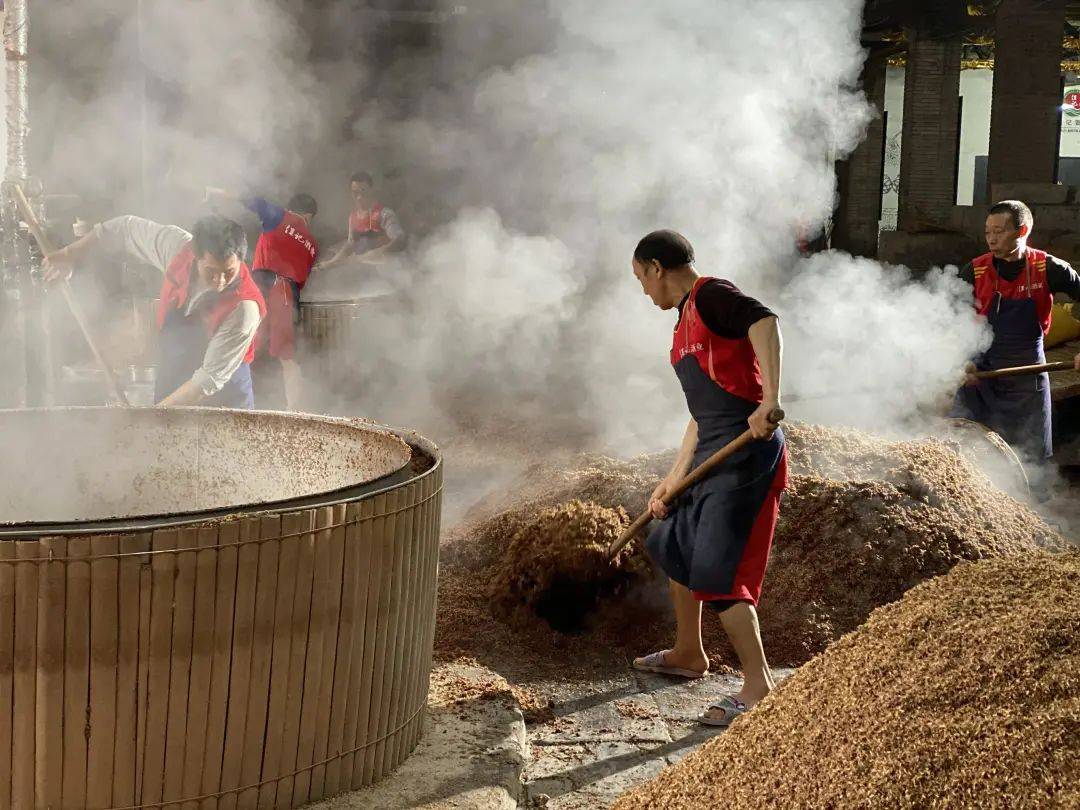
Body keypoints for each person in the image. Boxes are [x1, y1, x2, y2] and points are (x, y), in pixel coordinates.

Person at [629, 229, 787, 727]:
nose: (643, 290)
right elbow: (700, 416)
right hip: (711, 451)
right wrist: (673, 479)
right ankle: (688, 652)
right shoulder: (682, 324)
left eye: (641, 278)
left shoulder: (713, 295)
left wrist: (769, 400)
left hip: (746, 455)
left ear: (657, 268)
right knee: (674, 539)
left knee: (720, 572)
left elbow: (765, 322)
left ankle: (759, 686)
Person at [43, 214, 265, 408]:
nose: (220, 281)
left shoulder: (244, 308)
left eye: (229, 272)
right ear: (196, 257)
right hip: (172, 382)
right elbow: (125, 230)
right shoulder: (177, 248)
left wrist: (153, 419)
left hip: (223, 402)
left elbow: (207, 382)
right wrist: (70, 254)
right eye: (212, 271)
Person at [954, 200, 1080, 461]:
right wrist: (962, 360)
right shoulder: (975, 270)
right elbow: (954, 319)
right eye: (988, 232)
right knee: (962, 451)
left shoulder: (1048, 268)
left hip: (1028, 373)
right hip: (982, 372)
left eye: (999, 231)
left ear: (1022, 232)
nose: (991, 238)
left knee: (1031, 456)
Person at [205, 187, 318, 410]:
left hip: (265, 287)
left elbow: (252, 200)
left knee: (243, 346)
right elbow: (301, 277)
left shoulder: (282, 217)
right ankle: (293, 412)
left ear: (293, 211)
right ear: (309, 217)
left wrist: (216, 192)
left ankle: (232, 405)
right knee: (286, 356)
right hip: (288, 294)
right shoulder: (313, 245)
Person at [317, 171, 404, 269]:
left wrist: (379, 252)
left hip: (384, 271)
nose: (359, 197)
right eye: (355, 192)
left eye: (363, 191)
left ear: (371, 190)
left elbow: (399, 239)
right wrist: (331, 262)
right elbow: (350, 245)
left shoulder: (385, 214)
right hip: (361, 272)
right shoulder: (353, 217)